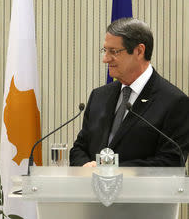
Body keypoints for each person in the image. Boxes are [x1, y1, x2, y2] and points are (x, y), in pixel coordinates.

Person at [70, 18, 189, 167]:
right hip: (93, 187)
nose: (105, 59)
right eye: (105, 50)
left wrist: (113, 170)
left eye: (113, 51)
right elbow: (79, 147)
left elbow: (171, 161)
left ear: (139, 51)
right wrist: (85, 165)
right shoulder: (99, 96)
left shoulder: (174, 102)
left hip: (143, 190)